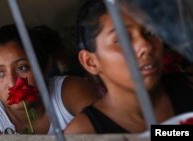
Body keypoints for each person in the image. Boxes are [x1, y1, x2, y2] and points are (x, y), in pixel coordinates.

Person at [64, 0, 193, 134]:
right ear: (90, 62)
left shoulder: (189, 87)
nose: (146, 46)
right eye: (121, 39)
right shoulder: (84, 133)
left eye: (150, 32)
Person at [0, 24, 98, 134]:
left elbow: (100, 122)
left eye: (22, 68)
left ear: (46, 67)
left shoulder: (69, 91)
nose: (13, 83)